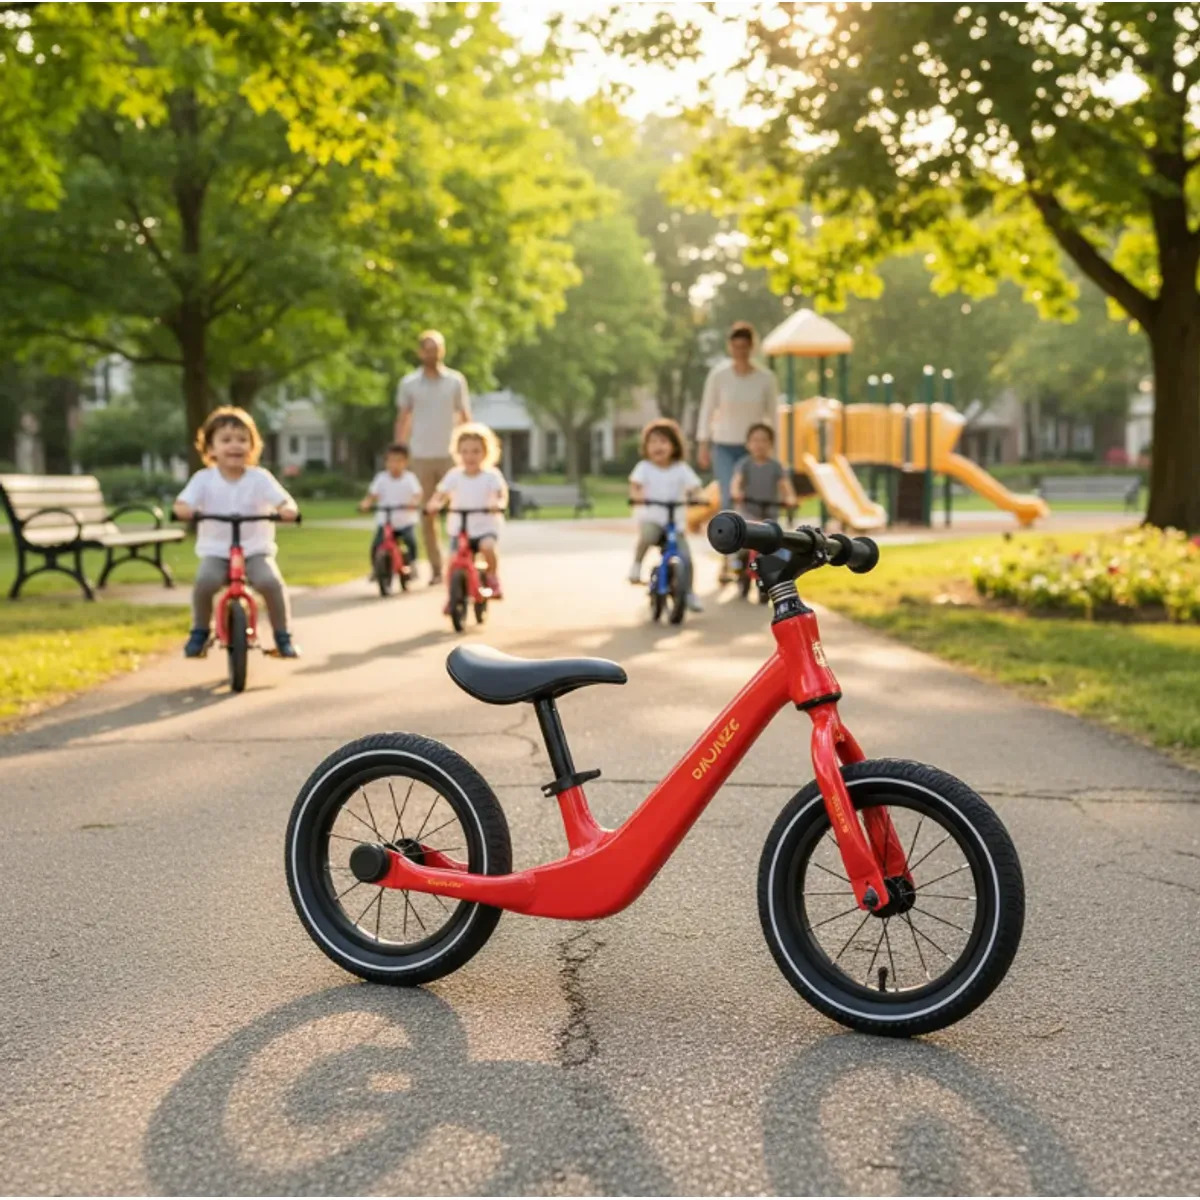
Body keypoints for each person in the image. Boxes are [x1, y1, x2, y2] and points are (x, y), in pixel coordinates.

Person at [173, 406, 301, 659]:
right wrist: (183, 509)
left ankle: (283, 636)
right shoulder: (203, 479)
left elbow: (286, 502)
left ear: (252, 448)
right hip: (217, 551)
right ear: (210, 449)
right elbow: (182, 503)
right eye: (226, 440)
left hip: (255, 549)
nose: (235, 445)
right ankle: (199, 630)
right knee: (205, 582)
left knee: (270, 582)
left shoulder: (260, 478)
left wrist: (287, 510)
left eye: (242, 440)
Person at [696, 321, 779, 580]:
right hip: (723, 445)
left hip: (753, 449)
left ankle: (751, 555)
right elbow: (707, 409)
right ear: (730, 347)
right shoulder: (719, 375)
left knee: (751, 501)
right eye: (736, 346)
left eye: (745, 346)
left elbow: (774, 416)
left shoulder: (765, 378)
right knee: (728, 498)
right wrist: (703, 443)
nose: (740, 351)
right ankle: (727, 559)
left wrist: (773, 449)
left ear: (751, 347)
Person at [394, 329, 471, 585]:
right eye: (427, 348)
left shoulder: (456, 381)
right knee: (428, 513)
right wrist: (400, 449)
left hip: (451, 456)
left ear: (443, 350)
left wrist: (469, 446)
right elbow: (403, 417)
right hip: (421, 455)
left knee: (460, 509)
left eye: (436, 347)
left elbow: (464, 416)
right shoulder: (409, 383)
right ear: (420, 352)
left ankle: (460, 562)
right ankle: (437, 568)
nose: (432, 352)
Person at [628, 417, 704, 613]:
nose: (657, 446)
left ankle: (689, 593)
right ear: (646, 447)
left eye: (663, 441)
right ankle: (636, 565)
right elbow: (635, 486)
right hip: (652, 518)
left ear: (674, 445)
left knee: (686, 557)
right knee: (648, 536)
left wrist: (697, 497)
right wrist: (637, 497)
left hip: (675, 524)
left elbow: (695, 487)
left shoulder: (681, 469)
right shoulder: (644, 467)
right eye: (652, 442)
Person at [425, 424, 508, 601]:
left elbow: (498, 494)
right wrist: (434, 504)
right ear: (458, 453)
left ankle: (492, 578)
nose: (470, 456)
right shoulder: (454, 475)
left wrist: (496, 503)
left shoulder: (491, 476)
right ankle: (452, 597)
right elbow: (442, 493)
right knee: (453, 560)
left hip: (484, 526)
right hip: (460, 528)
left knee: (487, 547)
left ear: (486, 453)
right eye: (465, 451)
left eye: (476, 451)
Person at [359, 442, 422, 574]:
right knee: (376, 545)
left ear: (406, 462)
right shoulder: (381, 478)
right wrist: (366, 503)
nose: (394, 465)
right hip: (386, 521)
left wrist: (413, 502)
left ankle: (413, 563)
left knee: (410, 541)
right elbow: (372, 494)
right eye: (391, 461)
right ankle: (375, 568)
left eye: (399, 461)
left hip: (405, 521)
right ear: (386, 462)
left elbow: (417, 494)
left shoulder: (409, 478)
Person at [731, 422, 797, 520]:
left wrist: (790, 497)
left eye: (764, 440)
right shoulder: (744, 464)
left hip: (770, 513)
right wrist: (736, 493)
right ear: (748, 444)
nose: (759, 444)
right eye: (755, 440)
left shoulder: (776, 466)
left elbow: (785, 484)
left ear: (771, 444)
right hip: (748, 512)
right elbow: (736, 481)